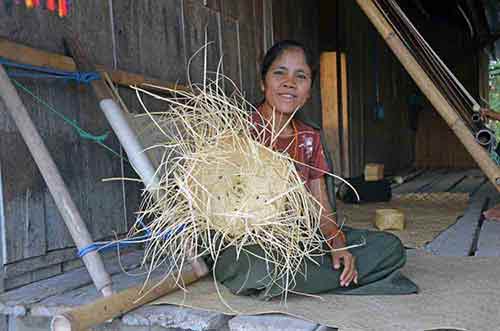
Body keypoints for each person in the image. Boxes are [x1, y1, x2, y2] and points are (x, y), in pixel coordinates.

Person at [211, 40, 418, 298]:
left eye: (301, 76)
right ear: (263, 82)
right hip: (249, 246)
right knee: (257, 266)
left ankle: (305, 279)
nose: (289, 82)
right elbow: (217, 211)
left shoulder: (309, 138)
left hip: (301, 241)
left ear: (309, 91)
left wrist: (337, 244)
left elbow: (323, 213)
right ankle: (330, 278)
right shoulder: (238, 132)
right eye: (279, 73)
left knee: (390, 248)